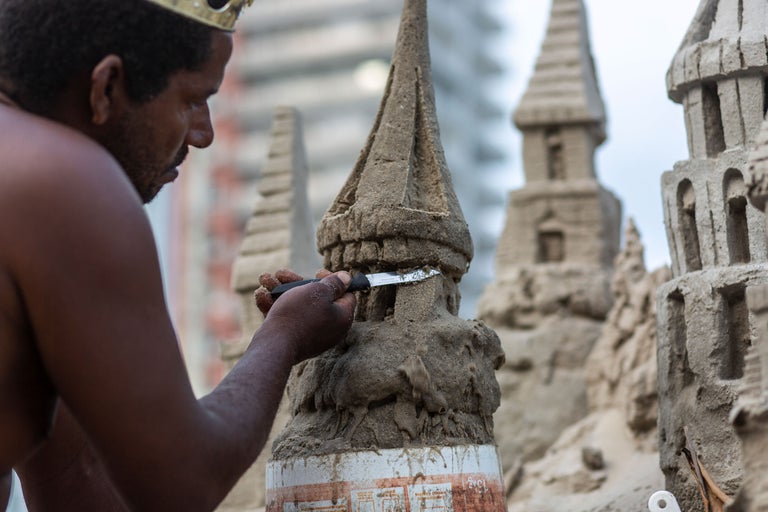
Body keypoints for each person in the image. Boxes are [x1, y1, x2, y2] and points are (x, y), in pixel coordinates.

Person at [0, 0, 356, 510]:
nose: (203, 135)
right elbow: (180, 484)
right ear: (106, 87)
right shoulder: (64, 182)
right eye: (192, 100)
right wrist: (283, 337)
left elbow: (78, 482)